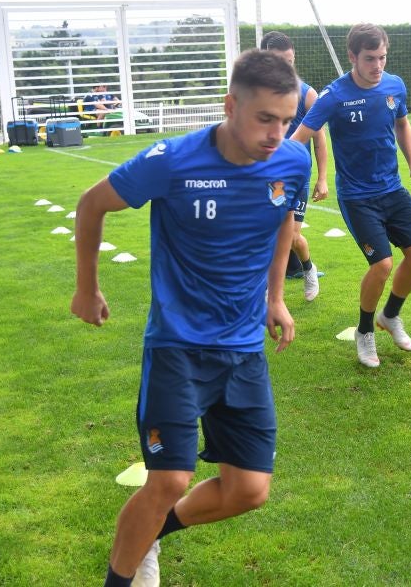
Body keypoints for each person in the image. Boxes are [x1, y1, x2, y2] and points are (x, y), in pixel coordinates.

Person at [70, 49, 310, 587]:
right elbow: (91, 205)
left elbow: (282, 226)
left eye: (287, 120)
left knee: (250, 490)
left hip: (244, 348)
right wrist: (87, 288)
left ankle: (153, 534)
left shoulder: (293, 161)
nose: (277, 133)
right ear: (231, 106)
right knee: (169, 479)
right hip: (178, 345)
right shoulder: (173, 160)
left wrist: (277, 297)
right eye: (265, 118)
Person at [291, 23, 411, 368]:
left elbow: (402, 123)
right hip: (357, 197)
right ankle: (365, 331)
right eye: (370, 58)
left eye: (382, 57)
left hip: (393, 189)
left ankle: (390, 316)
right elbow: (299, 137)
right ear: (352, 56)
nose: (378, 65)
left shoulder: (395, 85)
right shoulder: (333, 96)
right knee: (382, 263)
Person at [260, 30, 329, 301]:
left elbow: (320, 139)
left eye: (290, 61)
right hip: (268, 176)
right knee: (267, 231)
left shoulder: (307, 94)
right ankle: (266, 289)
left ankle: (307, 268)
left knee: (290, 235)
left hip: (296, 176)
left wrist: (322, 178)